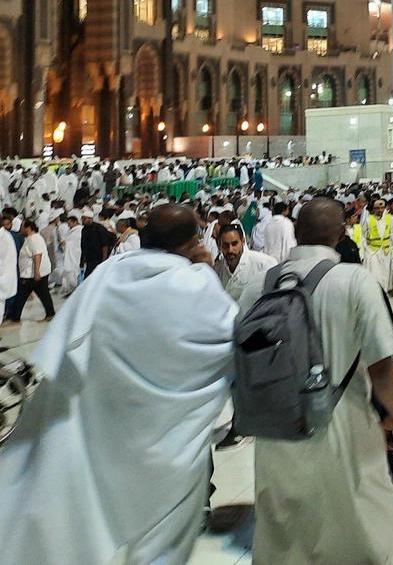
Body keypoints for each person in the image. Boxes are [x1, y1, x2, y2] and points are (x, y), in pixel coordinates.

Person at [0, 203, 234, 564]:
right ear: (192, 240)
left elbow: (73, 348)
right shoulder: (197, 282)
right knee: (162, 529)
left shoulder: (106, 276)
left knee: (100, 512)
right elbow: (229, 342)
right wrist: (201, 270)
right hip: (170, 436)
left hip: (108, 426)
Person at [240, 197, 393, 564]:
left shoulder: (258, 286)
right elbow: (381, 362)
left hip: (277, 426)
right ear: (342, 233)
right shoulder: (355, 281)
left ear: (297, 231)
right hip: (343, 422)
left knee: (286, 525)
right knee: (357, 519)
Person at [6, 221, 55, 322]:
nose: (21, 229)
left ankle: (15, 317)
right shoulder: (33, 238)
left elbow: (37, 255)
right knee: (43, 294)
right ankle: (50, 313)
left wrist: (36, 272)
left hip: (32, 274)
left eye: (22, 227)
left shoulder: (33, 239)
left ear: (28, 228)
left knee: (21, 296)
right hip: (35, 273)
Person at [215, 221, 276, 302]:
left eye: (234, 244)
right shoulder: (217, 269)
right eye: (225, 245)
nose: (230, 250)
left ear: (243, 242)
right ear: (220, 246)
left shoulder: (264, 264)